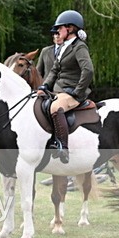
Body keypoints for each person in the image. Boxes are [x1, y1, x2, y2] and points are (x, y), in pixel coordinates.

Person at [37, 10, 94, 164]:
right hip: (58, 91)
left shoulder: (79, 47)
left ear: (70, 29)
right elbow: (54, 71)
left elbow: (88, 70)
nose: (57, 31)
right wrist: (44, 86)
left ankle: (63, 146)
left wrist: (78, 92)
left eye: (60, 28)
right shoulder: (63, 47)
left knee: (55, 108)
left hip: (72, 92)